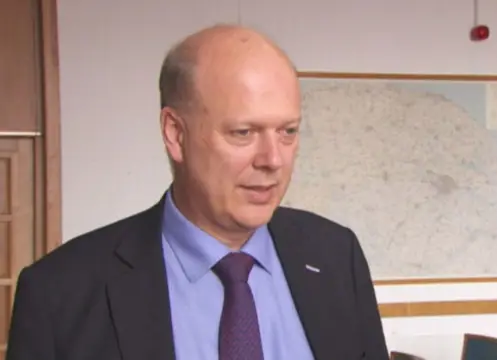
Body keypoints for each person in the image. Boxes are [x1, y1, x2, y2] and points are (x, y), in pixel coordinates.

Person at [6, 24, 389, 360]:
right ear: (176, 134)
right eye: (243, 133)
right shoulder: (60, 294)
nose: (273, 159)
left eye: (287, 131)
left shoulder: (337, 256)